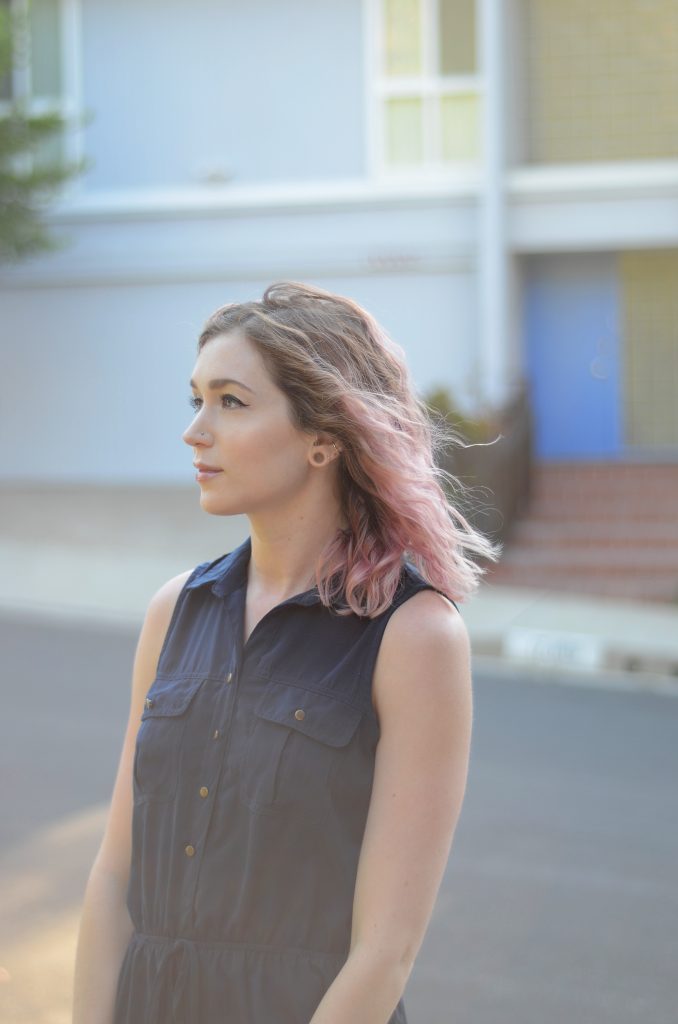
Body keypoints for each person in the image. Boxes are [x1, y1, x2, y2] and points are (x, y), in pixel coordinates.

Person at [72, 281, 501, 1024]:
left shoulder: (414, 635)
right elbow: (115, 876)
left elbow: (386, 951)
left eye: (231, 402)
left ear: (324, 438)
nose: (195, 431)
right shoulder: (175, 610)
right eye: (195, 399)